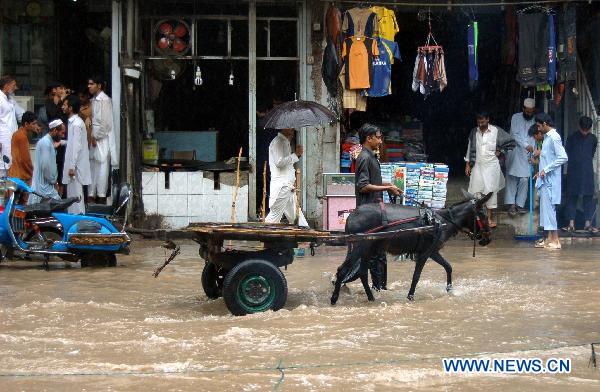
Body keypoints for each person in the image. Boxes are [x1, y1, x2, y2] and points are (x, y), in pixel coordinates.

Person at [355, 123, 401, 291]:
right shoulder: (365, 158)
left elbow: (373, 182)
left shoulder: (371, 156)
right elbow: (363, 186)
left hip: (375, 211)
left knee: (380, 253)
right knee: (376, 254)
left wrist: (389, 185)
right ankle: (378, 289)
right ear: (369, 138)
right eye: (379, 137)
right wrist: (387, 188)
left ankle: (380, 288)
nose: (381, 141)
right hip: (368, 213)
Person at [465, 112, 513, 228]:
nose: (480, 124)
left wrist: (500, 151)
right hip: (477, 165)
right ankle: (479, 218)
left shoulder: (496, 131)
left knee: (490, 192)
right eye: (478, 122)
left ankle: (490, 218)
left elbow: (511, 142)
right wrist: (467, 164)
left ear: (488, 120)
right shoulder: (474, 132)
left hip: (492, 167)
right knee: (476, 192)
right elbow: (469, 148)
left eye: (482, 122)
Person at [534, 113, 568, 249]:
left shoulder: (554, 137)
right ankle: (550, 239)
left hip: (551, 181)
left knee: (550, 210)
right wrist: (541, 171)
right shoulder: (547, 138)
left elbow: (563, 157)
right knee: (546, 211)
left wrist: (546, 170)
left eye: (538, 126)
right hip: (545, 179)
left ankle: (556, 241)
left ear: (545, 124)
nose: (538, 129)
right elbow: (548, 159)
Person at [264, 128, 309, 227]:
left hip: (287, 185)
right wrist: (295, 155)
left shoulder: (285, 142)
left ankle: (306, 235)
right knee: (274, 216)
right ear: (283, 127)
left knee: (296, 214)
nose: (293, 129)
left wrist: (296, 156)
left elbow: (287, 166)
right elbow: (279, 162)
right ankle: (264, 236)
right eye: (289, 126)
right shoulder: (278, 142)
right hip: (282, 186)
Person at [563, 116, 597, 233]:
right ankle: (571, 223)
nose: (585, 132)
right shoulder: (572, 138)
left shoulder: (593, 138)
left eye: (587, 130)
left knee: (588, 196)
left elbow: (592, 153)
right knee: (572, 196)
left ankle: (588, 223)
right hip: (573, 170)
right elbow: (567, 152)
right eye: (583, 129)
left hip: (587, 171)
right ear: (579, 127)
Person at [505, 98, 536, 215]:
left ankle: (519, 204)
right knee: (512, 178)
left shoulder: (535, 120)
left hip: (528, 154)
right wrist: (525, 145)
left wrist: (533, 151)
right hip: (515, 151)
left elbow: (534, 137)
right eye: (527, 111)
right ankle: (511, 205)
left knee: (524, 179)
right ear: (523, 109)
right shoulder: (515, 117)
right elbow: (514, 134)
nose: (529, 114)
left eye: (531, 112)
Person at [62, 94, 92, 214]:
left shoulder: (76, 124)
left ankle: (78, 220)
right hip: (74, 165)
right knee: (73, 195)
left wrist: (72, 166)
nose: (62, 107)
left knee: (76, 195)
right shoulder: (74, 122)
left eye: (64, 105)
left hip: (75, 167)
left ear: (70, 108)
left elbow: (77, 147)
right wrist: (62, 142)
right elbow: (73, 144)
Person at [88, 76, 115, 205]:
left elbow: (106, 124)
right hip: (94, 140)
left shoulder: (105, 100)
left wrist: (95, 136)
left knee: (102, 168)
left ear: (99, 85)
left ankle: (101, 197)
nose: (89, 86)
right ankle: (92, 195)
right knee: (93, 168)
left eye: (91, 84)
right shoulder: (93, 100)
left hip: (102, 139)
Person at [29, 119, 65, 205]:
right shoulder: (46, 143)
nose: (62, 136)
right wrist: (54, 181)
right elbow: (45, 167)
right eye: (62, 133)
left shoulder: (48, 142)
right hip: (43, 188)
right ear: (55, 130)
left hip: (45, 187)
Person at [8, 111, 40, 200]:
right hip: (21, 178)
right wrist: (33, 173)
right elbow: (25, 160)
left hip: (14, 176)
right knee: (22, 208)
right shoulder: (22, 137)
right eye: (33, 124)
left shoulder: (18, 134)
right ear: (26, 124)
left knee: (12, 206)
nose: (35, 126)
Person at [0, 75, 25, 176]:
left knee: (11, 167)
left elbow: (21, 115)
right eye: (14, 85)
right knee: (2, 168)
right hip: (2, 140)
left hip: (12, 139)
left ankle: (9, 191)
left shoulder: (10, 99)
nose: (16, 88)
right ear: (6, 85)